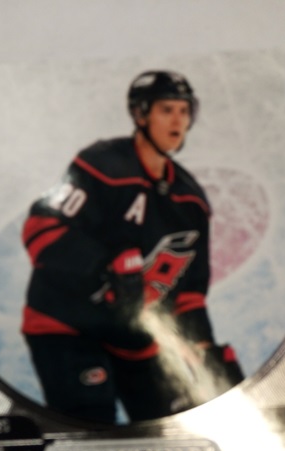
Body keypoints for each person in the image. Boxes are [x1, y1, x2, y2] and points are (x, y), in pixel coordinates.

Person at [21, 70, 243, 424]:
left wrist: (204, 349)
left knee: (173, 423)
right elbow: (41, 230)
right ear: (141, 114)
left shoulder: (191, 204)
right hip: (66, 324)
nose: (178, 121)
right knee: (91, 421)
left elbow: (188, 294)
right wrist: (105, 265)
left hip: (131, 335)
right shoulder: (102, 165)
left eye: (184, 111)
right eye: (166, 110)